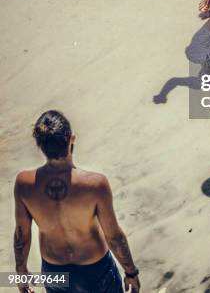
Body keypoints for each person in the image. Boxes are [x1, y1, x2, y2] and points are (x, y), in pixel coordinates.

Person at [13, 110, 141, 293]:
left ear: (40, 144)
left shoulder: (24, 184)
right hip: (95, 269)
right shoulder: (95, 185)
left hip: (55, 271)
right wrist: (131, 272)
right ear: (71, 139)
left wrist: (21, 273)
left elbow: (21, 235)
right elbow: (114, 237)